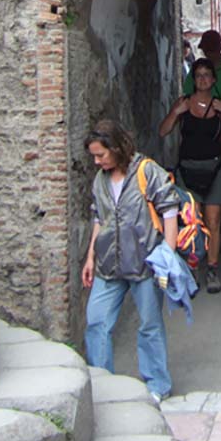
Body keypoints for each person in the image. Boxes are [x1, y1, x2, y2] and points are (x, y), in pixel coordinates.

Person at [82, 119, 180, 404]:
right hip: (108, 265)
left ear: (116, 147)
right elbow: (98, 218)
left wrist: (168, 258)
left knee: (149, 325)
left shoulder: (146, 171)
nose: (98, 161)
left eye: (101, 154)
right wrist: (90, 257)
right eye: (94, 156)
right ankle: (102, 384)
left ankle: (157, 385)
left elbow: (169, 211)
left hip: (144, 263)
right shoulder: (100, 179)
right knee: (96, 322)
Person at [161, 57, 221, 293]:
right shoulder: (184, 104)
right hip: (188, 169)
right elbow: (163, 130)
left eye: (207, 75)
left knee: (214, 221)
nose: (203, 79)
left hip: (215, 167)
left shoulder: (218, 106)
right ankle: (194, 265)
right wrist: (175, 112)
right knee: (192, 222)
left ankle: (213, 267)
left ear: (214, 80)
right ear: (193, 79)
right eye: (198, 75)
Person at [182, 29, 221, 256]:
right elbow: (188, 97)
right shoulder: (195, 73)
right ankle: (201, 234)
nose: (209, 52)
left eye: (211, 48)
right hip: (199, 132)